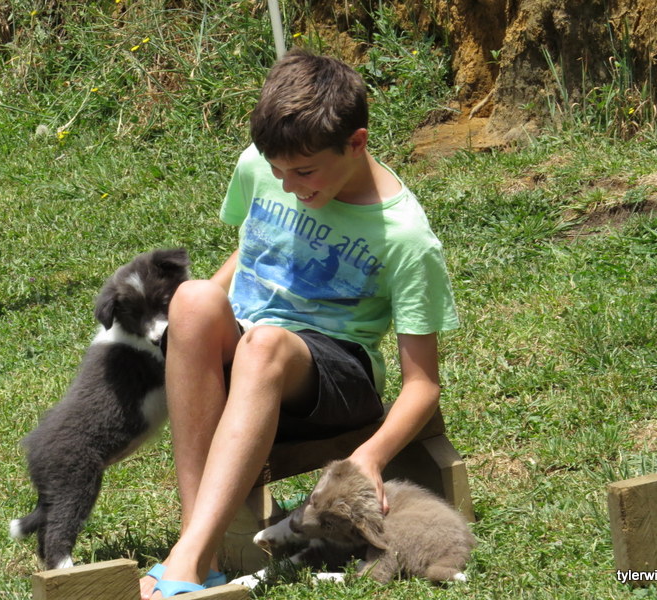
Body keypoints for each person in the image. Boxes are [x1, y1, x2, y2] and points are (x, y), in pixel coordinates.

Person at [140, 48, 459, 599]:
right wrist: (192, 329)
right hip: (251, 353)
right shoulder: (262, 163)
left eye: (304, 172)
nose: (288, 185)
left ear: (356, 143)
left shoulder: (404, 236)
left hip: (336, 377)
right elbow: (253, 250)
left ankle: (187, 557)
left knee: (264, 344)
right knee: (192, 297)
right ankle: (202, 552)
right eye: (277, 171)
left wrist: (368, 458)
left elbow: (423, 384)